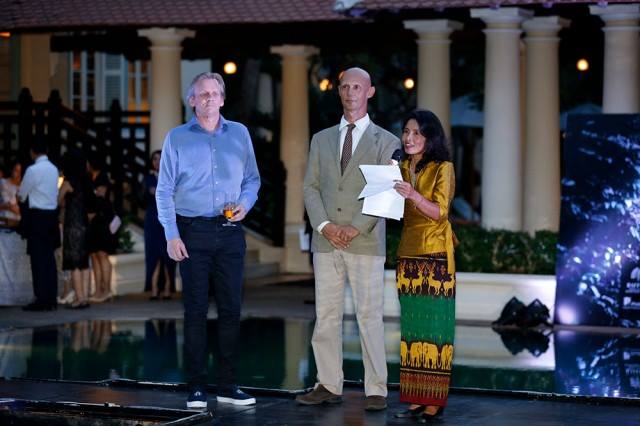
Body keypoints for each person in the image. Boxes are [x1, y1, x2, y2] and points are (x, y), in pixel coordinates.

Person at [156, 72, 261, 410]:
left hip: (231, 233)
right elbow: (164, 191)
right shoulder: (176, 138)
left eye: (214, 94)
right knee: (195, 311)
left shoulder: (241, 134)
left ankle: (228, 385)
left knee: (231, 311)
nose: (209, 99)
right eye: (202, 94)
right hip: (192, 233)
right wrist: (171, 235)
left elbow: (253, 179)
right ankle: (197, 386)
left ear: (223, 99)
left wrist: (245, 204)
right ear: (192, 100)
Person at [298, 67, 400, 411]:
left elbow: (386, 189)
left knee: (369, 316)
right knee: (326, 316)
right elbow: (310, 187)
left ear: (370, 92)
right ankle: (328, 383)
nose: (351, 92)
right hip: (326, 242)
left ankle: (376, 389)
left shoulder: (387, 141)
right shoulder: (321, 139)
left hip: (365, 242)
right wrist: (325, 225)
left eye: (357, 86)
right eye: (345, 86)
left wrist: (356, 227)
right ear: (339, 92)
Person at [392, 109, 456, 421]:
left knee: (435, 332)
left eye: (416, 133)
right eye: (406, 131)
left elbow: (439, 212)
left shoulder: (444, 168)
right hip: (407, 254)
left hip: (435, 256)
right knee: (412, 331)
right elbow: (395, 210)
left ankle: (435, 401)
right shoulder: (399, 167)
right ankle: (416, 399)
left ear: (430, 138)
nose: (408, 138)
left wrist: (412, 195)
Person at [17, 140, 60, 311]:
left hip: (38, 217)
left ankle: (41, 299)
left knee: (38, 259)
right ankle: (51, 298)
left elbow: (22, 194)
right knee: (50, 259)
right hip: (51, 217)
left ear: (33, 152)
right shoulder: (54, 168)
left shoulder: (32, 170)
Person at [58, 149, 93, 309]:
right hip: (85, 224)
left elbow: (58, 201)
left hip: (73, 224)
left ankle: (79, 299)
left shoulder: (68, 182)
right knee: (84, 262)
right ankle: (85, 297)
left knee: (74, 263)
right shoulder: (86, 180)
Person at [143, 150, 176, 300]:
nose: (157, 162)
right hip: (152, 221)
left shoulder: (172, 177)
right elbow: (141, 199)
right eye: (154, 159)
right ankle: (154, 289)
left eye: (160, 159)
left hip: (168, 220)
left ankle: (168, 288)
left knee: (168, 255)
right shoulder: (148, 178)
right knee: (153, 255)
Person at [87, 153, 115, 303]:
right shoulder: (92, 178)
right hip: (95, 221)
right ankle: (98, 290)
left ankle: (107, 290)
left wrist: (92, 213)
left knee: (102, 255)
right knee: (95, 255)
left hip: (102, 220)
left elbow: (101, 198)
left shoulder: (102, 178)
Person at [0, 161, 23, 228]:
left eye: (20, 171)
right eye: (16, 170)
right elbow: (10, 204)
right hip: (5, 221)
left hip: (19, 223)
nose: (18, 174)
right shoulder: (3, 183)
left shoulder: (24, 186)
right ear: (12, 170)